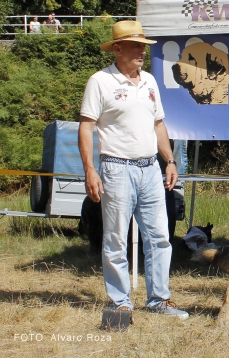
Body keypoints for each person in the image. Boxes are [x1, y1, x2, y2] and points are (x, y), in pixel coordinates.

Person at [78, 20, 188, 318]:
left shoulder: (150, 81)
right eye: (136, 45)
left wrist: (170, 161)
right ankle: (120, 302)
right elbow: (86, 128)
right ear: (117, 48)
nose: (142, 51)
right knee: (115, 238)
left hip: (150, 167)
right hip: (115, 168)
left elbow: (158, 124)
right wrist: (90, 169)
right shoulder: (99, 81)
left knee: (160, 236)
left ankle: (159, 300)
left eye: (143, 46)